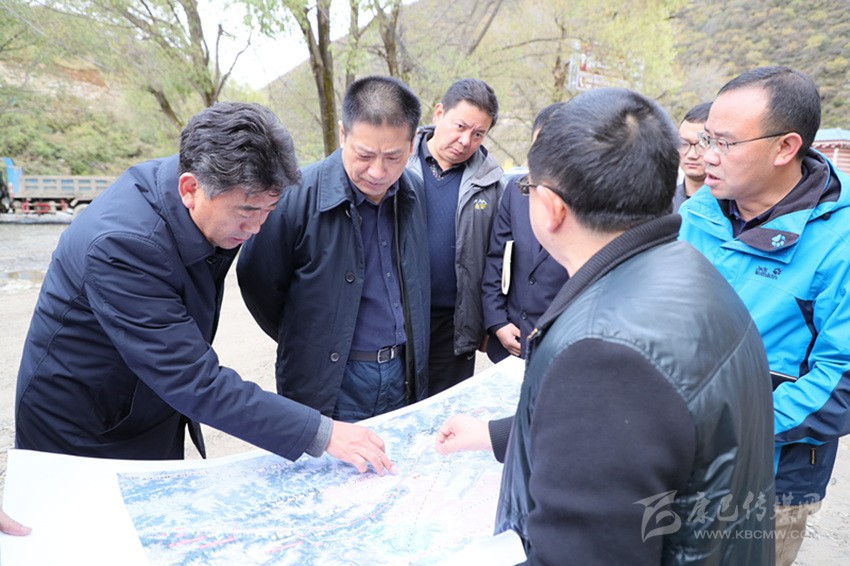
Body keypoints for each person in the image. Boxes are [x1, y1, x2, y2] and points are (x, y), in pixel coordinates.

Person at [437, 88, 775, 564]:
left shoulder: (603, 353)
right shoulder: (693, 271)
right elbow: (630, 440)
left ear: (552, 207)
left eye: (530, 188)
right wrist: (494, 435)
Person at [15, 102, 394, 476]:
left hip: (149, 403)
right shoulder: (123, 246)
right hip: (82, 430)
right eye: (247, 212)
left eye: (269, 210)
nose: (256, 228)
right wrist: (322, 432)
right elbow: (193, 380)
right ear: (189, 188)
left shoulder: (209, 188)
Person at [678, 66, 850, 566]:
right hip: (681, 458)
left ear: (785, 147)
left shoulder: (838, 244)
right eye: (707, 138)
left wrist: (730, 428)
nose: (707, 156)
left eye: (725, 143)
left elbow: (841, 382)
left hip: (771, 480)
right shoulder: (700, 212)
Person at [237, 76, 430, 423]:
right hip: (331, 379)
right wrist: (309, 338)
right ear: (343, 135)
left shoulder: (413, 192)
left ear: (413, 143)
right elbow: (258, 283)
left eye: (393, 156)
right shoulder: (294, 198)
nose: (378, 171)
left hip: (401, 370)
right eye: (364, 155)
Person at [405, 78, 504, 394]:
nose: (465, 141)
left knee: (445, 414)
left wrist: (491, 321)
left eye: (478, 134)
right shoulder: (397, 162)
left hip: (454, 328)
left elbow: (499, 259)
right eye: (460, 126)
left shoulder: (493, 184)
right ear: (439, 113)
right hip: (397, 322)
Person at [481, 102, 569, 362]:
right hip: (510, 342)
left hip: (558, 349)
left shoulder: (589, 203)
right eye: (538, 147)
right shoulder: (516, 190)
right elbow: (497, 258)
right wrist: (497, 321)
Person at [672, 101, 712, 212]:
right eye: (684, 144)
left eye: (702, 145)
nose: (692, 155)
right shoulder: (662, 205)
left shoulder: (737, 207)